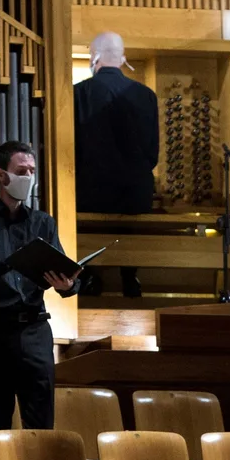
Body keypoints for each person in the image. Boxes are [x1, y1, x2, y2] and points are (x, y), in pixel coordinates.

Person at [0, 140, 80, 460]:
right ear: (1, 175)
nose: (28, 177)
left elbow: (64, 269)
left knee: (41, 422)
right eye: (21, 172)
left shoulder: (43, 223)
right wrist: (6, 264)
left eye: (32, 172)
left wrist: (69, 286)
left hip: (35, 329)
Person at [74, 31, 158, 297]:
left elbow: (71, 149)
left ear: (94, 57)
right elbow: (152, 154)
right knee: (131, 222)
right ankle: (129, 275)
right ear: (123, 59)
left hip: (90, 193)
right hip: (134, 196)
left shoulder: (78, 94)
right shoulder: (146, 95)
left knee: (81, 218)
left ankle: (90, 277)